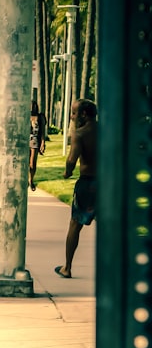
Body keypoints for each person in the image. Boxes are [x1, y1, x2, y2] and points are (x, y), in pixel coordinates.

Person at [55, 99, 97, 279]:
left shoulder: (80, 134)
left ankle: (67, 267)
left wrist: (67, 172)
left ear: (83, 114)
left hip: (88, 184)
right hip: (109, 183)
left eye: (73, 113)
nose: (72, 117)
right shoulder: (109, 130)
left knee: (75, 224)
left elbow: (72, 159)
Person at [28, 103, 46, 192]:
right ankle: (26, 178)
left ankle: (31, 179)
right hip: (25, 141)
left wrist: (43, 142)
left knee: (32, 163)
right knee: (25, 162)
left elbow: (42, 132)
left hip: (34, 140)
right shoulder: (25, 115)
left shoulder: (40, 117)